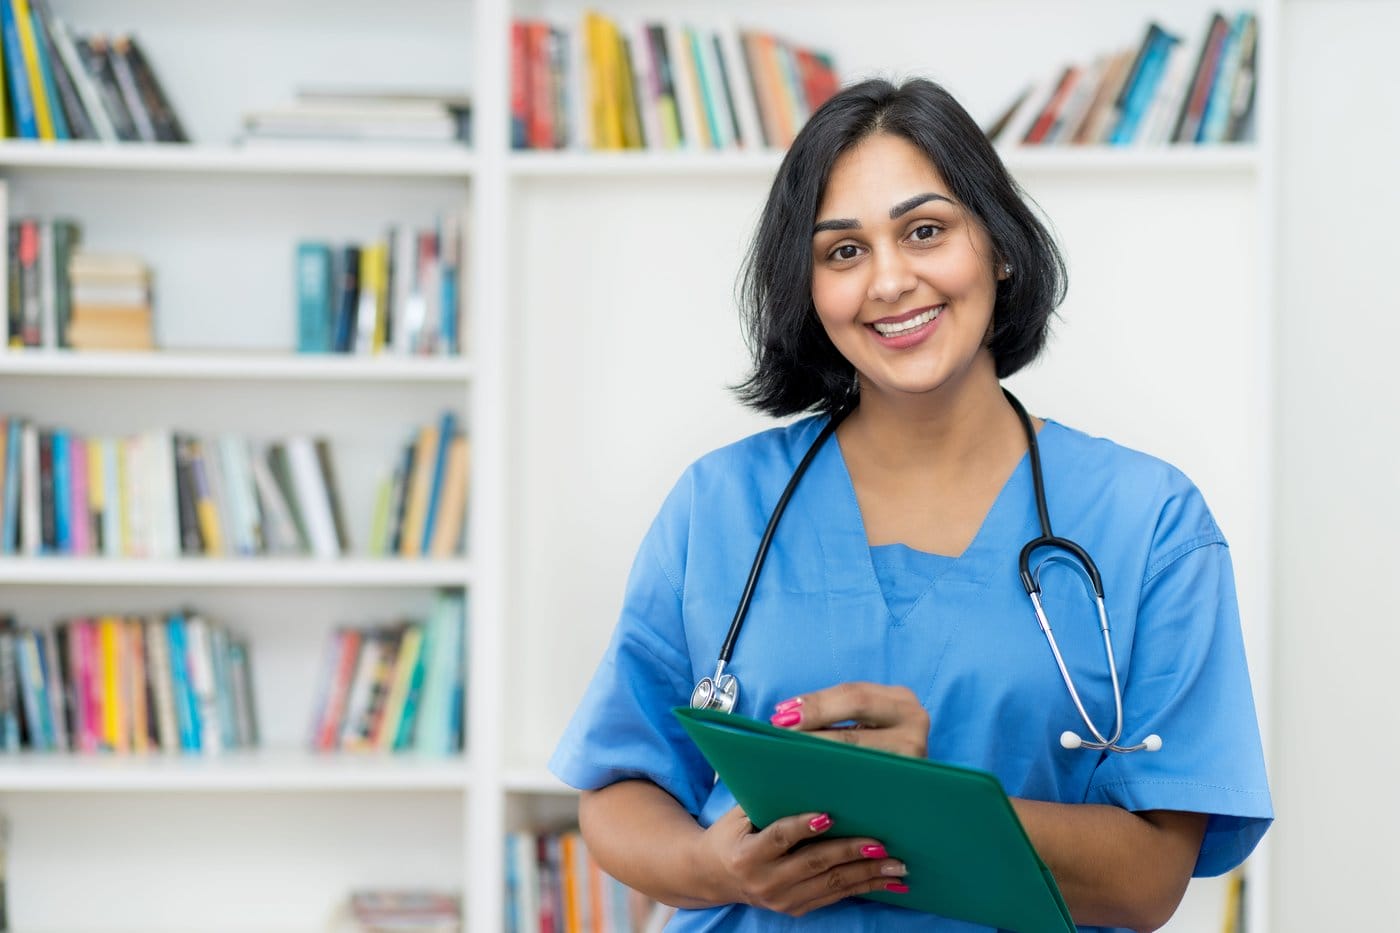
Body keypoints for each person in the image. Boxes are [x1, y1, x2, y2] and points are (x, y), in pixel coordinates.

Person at [548, 77, 1272, 932]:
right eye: (843, 252)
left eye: (925, 231)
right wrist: (716, 865)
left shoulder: (1150, 524)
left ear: (999, 246)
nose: (890, 280)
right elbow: (617, 790)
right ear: (810, 291)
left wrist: (918, 804)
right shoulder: (720, 505)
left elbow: (1149, 879)